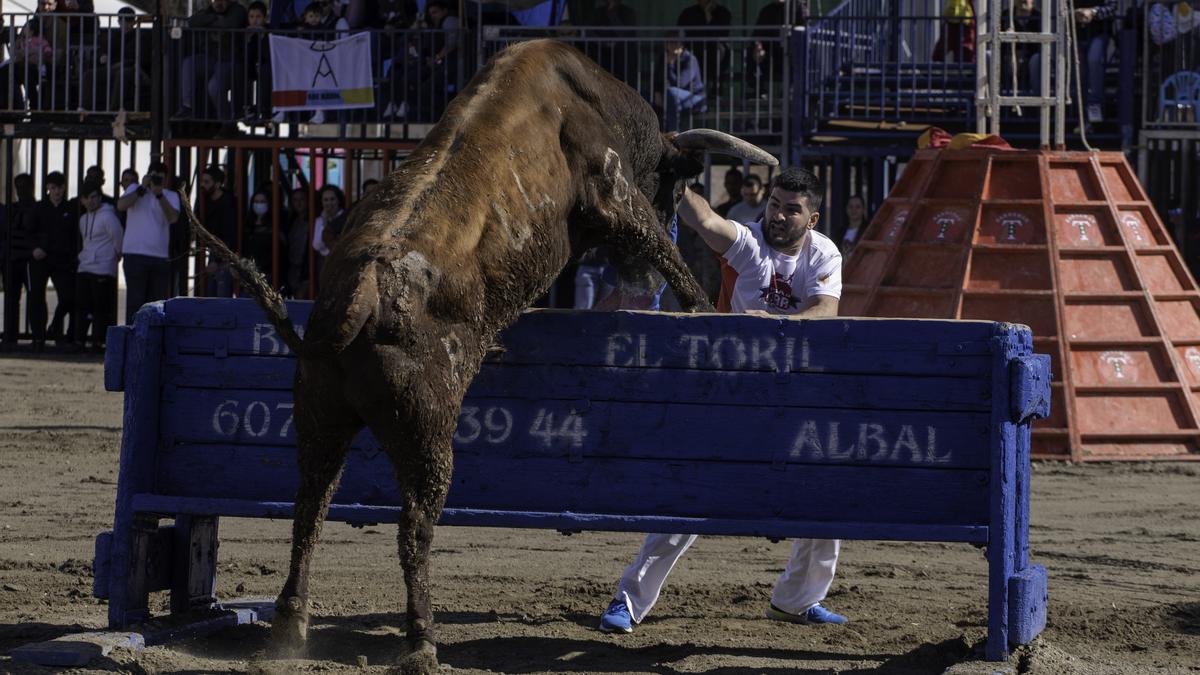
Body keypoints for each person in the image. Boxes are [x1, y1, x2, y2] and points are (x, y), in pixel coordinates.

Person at [598, 167, 845, 634]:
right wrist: (673, 181)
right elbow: (708, 222)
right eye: (774, 204)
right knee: (688, 497)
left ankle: (797, 601)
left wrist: (766, 322)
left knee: (825, 495)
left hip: (793, 397)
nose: (778, 215)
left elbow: (824, 312)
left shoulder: (824, 253)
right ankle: (628, 602)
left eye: (792, 209)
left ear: (811, 219)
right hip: (729, 394)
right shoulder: (750, 244)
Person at [117, 161, 180, 324]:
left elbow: (173, 218)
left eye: (160, 178)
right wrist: (141, 189)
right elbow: (121, 205)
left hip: (159, 256)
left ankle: (152, 340)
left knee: (156, 304)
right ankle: (133, 337)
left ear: (166, 179)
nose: (157, 181)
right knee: (135, 301)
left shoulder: (170, 195)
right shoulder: (135, 190)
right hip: (135, 254)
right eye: (153, 177)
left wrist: (159, 195)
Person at [74, 178, 122, 353]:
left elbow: (118, 239)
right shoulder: (83, 219)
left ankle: (99, 341)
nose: (91, 201)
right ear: (82, 200)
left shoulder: (109, 217)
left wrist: (114, 257)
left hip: (103, 267)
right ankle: (80, 340)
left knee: (100, 307)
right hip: (85, 266)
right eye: (87, 198)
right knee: (83, 305)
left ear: (100, 197)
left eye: (94, 197)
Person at [177, 0, 248, 119]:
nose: (219, 3)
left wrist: (209, 22)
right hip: (211, 58)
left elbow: (229, 24)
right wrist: (215, 18)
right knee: (189, 64)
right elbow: (192, 21)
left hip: (229, 60)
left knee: (214, 87)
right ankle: (187, 107)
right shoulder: (208, 11)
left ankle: (227, 122)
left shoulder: (238, 10)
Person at [33, 171, 79, 347]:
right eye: (53, 188)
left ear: (64, 187)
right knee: (37, 297)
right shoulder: (40, 208)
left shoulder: (70, 208)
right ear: (47, 188)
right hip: (42, 258)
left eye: (59, 187)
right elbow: (30, 230)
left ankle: (54, 328)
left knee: (67, 297)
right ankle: (39, 336)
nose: (56, 191)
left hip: (62, 259)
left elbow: (76, 235)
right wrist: (35, 248)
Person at [1, 174, 39, 350]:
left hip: (29, 260)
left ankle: (37, 336)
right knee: (12, 299)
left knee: (34, 299)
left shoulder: (37, 209)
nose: (21, 190)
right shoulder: (11, 209)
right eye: (18, 186)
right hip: (13, 259)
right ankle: (11, 336)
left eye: (24, 186)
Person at [197, 165, 239, 297]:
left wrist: (218, 261)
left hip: (226, 257)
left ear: (218, 184)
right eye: (202, 181)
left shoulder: (228, 204)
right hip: (213, 254)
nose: (203, 185)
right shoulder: (205, 201)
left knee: (221, 298)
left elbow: (231, 236)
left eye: (207, 182)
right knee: (210, 294)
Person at [659, 37, 706, 132]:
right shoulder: (664, 57)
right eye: (669, 43)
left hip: (695, 98)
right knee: (643, 95)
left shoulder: (690, 59)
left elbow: (680, 83)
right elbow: (657, 78)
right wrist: (657, 92)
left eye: (675, 43)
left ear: (682, 45)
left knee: (672, 93)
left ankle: (673, 132)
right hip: (670, 97)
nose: (672, 46)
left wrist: (670, 65)